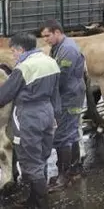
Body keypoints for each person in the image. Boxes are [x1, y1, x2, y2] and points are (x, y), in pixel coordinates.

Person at [0, 32, 61, 208]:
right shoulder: (51, 62)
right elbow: (56, 94)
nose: (13, 55)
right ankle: (33, 200)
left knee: (30, 164)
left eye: (13, 51)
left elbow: (3, 97)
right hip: (47, 113)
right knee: (41, 158)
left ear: (20, 49)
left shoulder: (23, 68)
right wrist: (56, 117)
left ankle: (42, 204)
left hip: (28, 117)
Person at [40, 20, 86, 193]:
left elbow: (61, 77)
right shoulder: (59, 47)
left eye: (47, 35)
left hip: (69, 96)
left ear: (57, 32)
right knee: (71, 132)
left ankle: (63, 176)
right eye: (43, 36)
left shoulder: (67, 50)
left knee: (63, 134)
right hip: (70, 94)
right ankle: (74, 169)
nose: (45, 39)